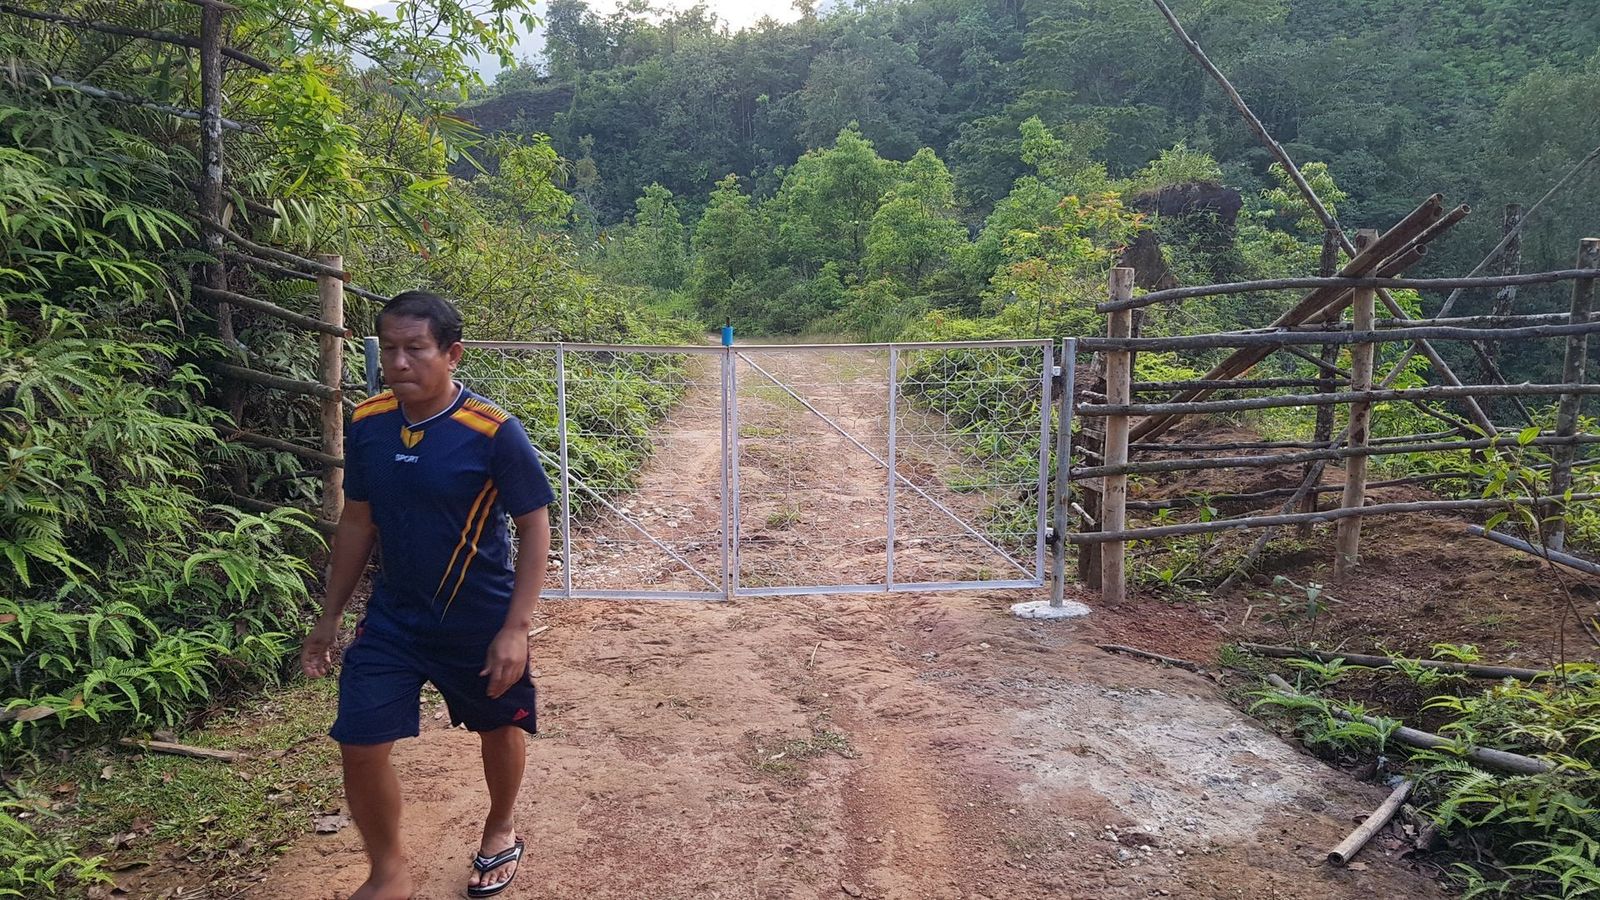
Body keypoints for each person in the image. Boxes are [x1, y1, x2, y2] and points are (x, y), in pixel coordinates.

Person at [301, 290, 553, 899]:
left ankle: (500, 826)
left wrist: (516, 627)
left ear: (452, 353)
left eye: (415, 348)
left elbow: (535, 524)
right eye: (389, 348)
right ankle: (388, 871)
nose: (399, 362)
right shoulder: (368, 422)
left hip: (478, 618)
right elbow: (357, 521)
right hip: (393, 619)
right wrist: (329, 617)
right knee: (359, 739)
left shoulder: (492, 432)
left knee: (499, 725)